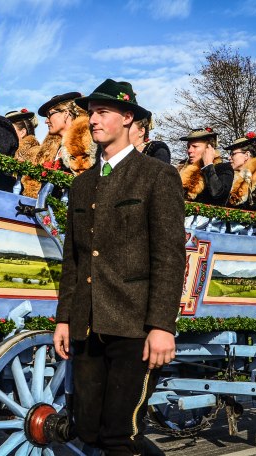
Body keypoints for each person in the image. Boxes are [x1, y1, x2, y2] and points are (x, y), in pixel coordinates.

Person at [53, 79, 186, 456]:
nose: (93, 120)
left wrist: (161, 325)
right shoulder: (82, 185)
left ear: (128, 118)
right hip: (88, 325)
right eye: (91, 112)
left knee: (120, 435)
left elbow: (169, 256)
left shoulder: (156, 175)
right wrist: (65, 319)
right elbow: (74, 260)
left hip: (135, 327)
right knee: (88, 429)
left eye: (103, 112)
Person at [177, 128, 234, 206]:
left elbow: (218, 194)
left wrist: (208, 165)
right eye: (188, 147)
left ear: (209, 148)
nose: (189, 150)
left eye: (195, 146)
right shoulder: (182, 170)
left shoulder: (223, 168)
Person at [4, 109, 41, 197]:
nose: (5, 134)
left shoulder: (36, 152)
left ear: (22, 132)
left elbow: (33, 188)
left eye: (10, 130)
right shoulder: (8, 152)